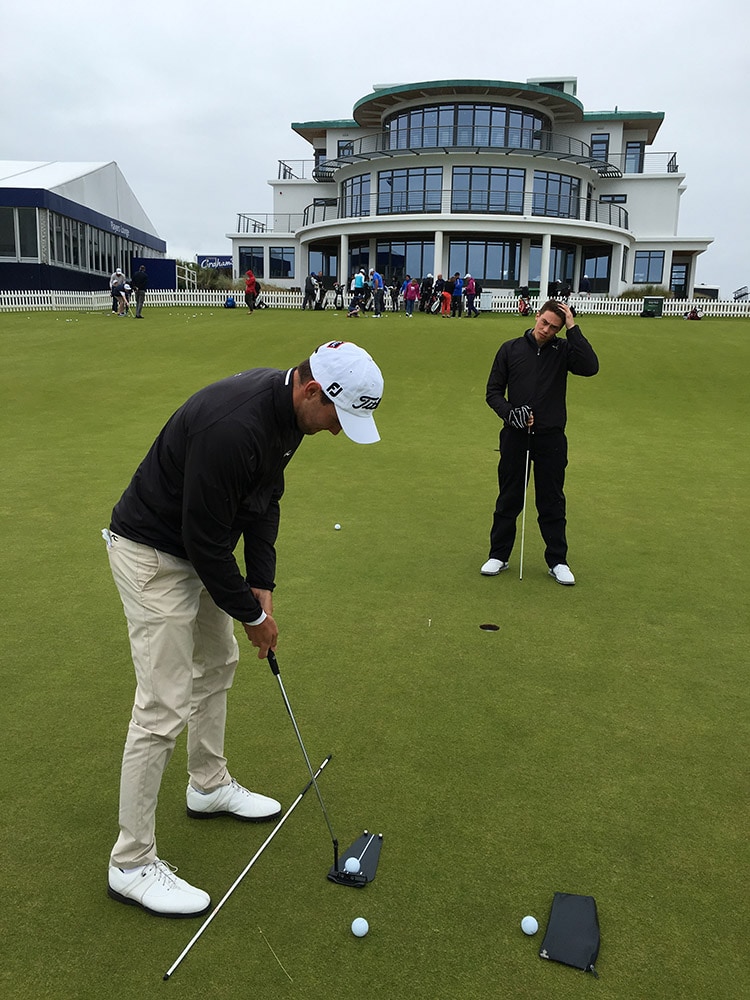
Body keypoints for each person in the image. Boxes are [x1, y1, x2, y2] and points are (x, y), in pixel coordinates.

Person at [103, 341, 384, 918]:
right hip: (152, 553)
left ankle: (207, 786)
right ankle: (130, 864)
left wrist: (261, 584)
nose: (337, 431)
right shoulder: (235, 426)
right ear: (313, 390)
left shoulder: (288, 418)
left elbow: (264, 502)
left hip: (194, 547)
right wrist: (254, 618)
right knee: (162, 705)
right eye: (338, 416)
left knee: (218, 661)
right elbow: (205, 541)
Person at [481, 301, 599, 586]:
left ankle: (557, 561)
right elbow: (493, 392)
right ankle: (499, 555)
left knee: (552, 501)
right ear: (537, 316)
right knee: (509, 497)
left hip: (551, 438)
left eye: (554, 327)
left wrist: (572, 328)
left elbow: (590, 367)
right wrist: (511, 413)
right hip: (515, 436)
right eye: (544, 322)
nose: (546, 330)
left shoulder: (564, 350)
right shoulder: (510, 349)